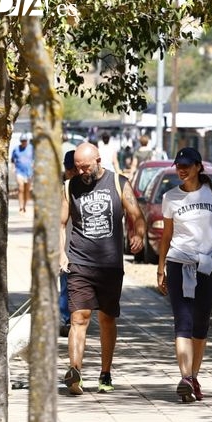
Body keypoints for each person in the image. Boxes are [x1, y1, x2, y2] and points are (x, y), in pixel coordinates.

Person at [59, 142, 146, 395]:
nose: (81, 172)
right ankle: (75, 373)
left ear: (98, 161)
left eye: (85, 167)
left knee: (107, 319)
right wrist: (60, 254)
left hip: (109, 265)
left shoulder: (119, 183)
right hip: (80, 262)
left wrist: (138, 234)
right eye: (77, 168)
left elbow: (136, 215)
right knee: (78, 317)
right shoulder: (69, 187)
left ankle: (105, 372)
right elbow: (60, 223)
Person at [156, 147, 212, 403]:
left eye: (186, 165)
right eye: (178, 166)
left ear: (199, 166)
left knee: (201, 324)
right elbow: (166, 236)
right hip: (178, 263)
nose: (181, 170)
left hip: (208, 266)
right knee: (183, 322)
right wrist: (160, 268)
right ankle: (185, 378)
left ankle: (193, 376)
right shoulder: (170, 197)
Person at [58, 150, 76, 337]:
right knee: (65, 283)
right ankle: (65, 319)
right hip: (65, 243)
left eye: (74, 169)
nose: (71, 172)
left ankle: (75, 318)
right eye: (68, 168)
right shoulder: (61, 189)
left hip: (81, 245)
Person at [10, 133, 34, 213]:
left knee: (27, 190)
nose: (24, 142)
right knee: (21, 189)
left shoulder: (31, 148)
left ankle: (24, 206)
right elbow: (12, 160)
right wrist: (13, 168)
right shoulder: (16, 149)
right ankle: (20, 207)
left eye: (25, 141)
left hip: (29, 173)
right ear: (20, 141)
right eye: (22, 141)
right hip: (19, 172)